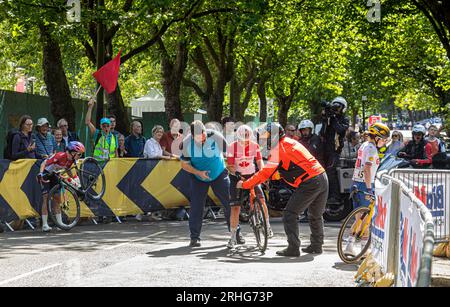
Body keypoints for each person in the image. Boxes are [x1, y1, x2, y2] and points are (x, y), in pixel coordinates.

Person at [237, 123, 328, 257]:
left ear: (273, 136)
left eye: (266, 136)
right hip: (322, 177)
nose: (264, 140)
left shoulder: (279, 149)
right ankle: (316, 245)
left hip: (310, 181)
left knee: (290, 214)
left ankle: (293, 247)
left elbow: (265, 173)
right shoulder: (289, 142)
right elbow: (286, 166)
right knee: (315, 215)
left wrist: (245, 184)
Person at [180, 120, 236, 248]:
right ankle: (194, 238)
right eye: (199, 138)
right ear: (193, 136)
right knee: (196, 206)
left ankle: (235, 233)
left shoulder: (216, 137)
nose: (203, 140)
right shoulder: (186, 144)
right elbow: (184, 165)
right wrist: (198, 173)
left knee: (229, 203)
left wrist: (233, 167)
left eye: (204, 136)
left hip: (219, 173)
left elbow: (230, 153)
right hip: (198, 177)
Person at [345, 123, 390, 256]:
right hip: (365, 184)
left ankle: (357, 246)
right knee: (364, 218)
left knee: (362, 218)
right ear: (376, 137)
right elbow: (367, 168)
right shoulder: (371, 149)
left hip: (357, 182)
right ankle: (357, 246)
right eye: (384, 139)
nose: (384, 142)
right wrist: (370, 188)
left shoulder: (365, 144)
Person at [226, 125, 273, 249]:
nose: (246, 139)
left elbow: (259, 161)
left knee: (262, 200)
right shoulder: (232, 147)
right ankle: (232, 237)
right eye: (243, 136)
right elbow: (230, 165)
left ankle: (267, 226)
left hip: (252, 175)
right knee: (235, 208)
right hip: (237, 177)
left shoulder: (255, 145)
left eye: (247, 136)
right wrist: (237, 174)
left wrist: (262, 172)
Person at [37, 141, 85, 232]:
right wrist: (40, 173)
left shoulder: (71, 160)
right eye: (79, 154)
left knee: (57, 199)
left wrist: (75, 180)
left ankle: (59, 223)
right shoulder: (60, 155)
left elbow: (67, 170)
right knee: (46, 198)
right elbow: (44, 163)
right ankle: (44, 225)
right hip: (46, 174)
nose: (80, 156)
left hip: (55, 175)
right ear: (72, 152)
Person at [319, 97, 350, 204]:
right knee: (321, 172)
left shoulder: (344, 119)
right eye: (335, 106)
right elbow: (322, 133)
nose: (336, 109)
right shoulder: (329, 117)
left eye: (338, 107)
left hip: (335, 151)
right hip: (324, 149)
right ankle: (323, 195)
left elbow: (340, 129)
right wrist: (325, 118)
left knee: (330, 172)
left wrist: (333, 118)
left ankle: (334, 196)